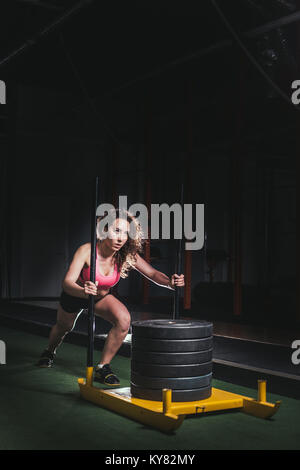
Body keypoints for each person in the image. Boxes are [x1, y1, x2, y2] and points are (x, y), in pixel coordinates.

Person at [36, 209, 185, 386]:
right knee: (64, 327)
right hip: (75, 294)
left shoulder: (125, 254)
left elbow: (152, 273)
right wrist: (83, 291)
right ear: (103, 230)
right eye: (116, 231)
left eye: (125, 233)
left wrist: (169, 282)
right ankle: (49, 352)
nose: (121, 238)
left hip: (100, 297)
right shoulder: (87, 250)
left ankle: (102, 366)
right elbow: (67, 282)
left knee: (123, 320)